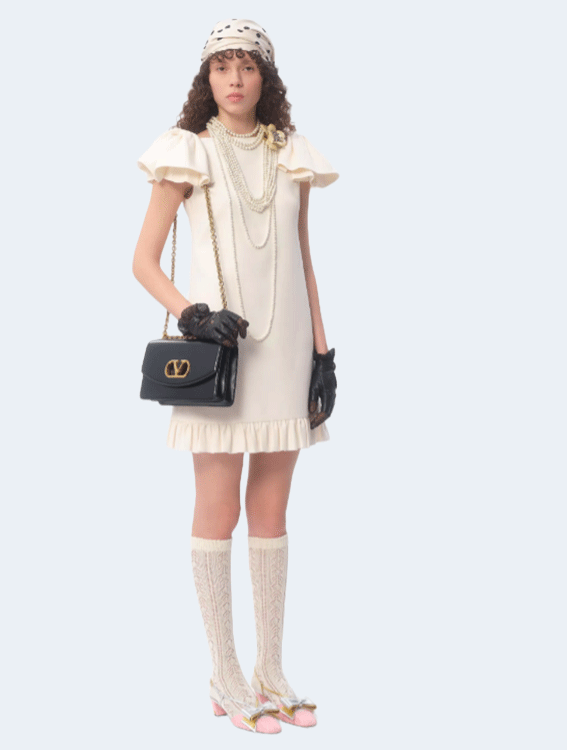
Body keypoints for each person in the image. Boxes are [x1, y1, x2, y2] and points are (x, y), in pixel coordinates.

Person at [133, 19, 338, 734]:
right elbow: (143, 260)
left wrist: (322, 355)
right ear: (207, 78)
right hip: (219, 355)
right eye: (222, 66)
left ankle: (269, 669)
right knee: (218, 509)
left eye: (247, 66)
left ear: (265, 77)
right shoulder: (187, 150)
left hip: (285, 351)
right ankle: (224, 673)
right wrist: (191, 314)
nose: (235, 79)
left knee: (273, 513)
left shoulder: (290, 154)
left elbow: (304, 258)